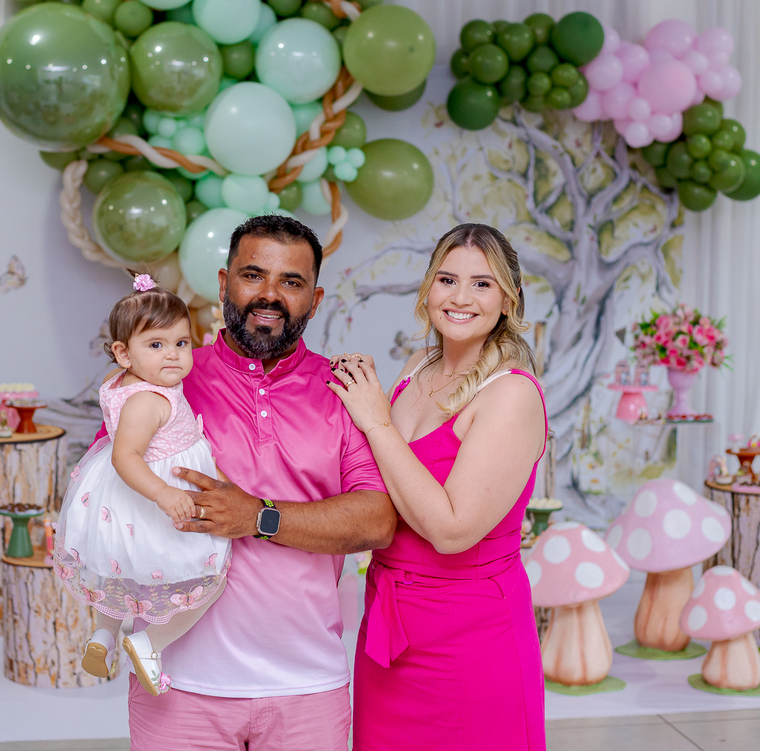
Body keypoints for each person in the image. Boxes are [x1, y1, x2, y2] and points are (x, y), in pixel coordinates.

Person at [113, 214, 397, 750]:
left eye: (291, 281)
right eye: (252, 275)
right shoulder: (164, 380)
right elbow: (109, 493)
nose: (269, 295)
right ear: (223, 284)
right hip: (177, 686)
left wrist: (258, 517)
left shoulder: (344, 391)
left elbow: (377, 521)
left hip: (309, 688)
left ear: (314, 299)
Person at [327, 223, 548, 750]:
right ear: (428, 288)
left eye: (482, 284)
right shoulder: (417, 367)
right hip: (389, 626)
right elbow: (384, 479)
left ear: (508, 299)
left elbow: (452, 531)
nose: (460, 297)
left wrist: (375, 420)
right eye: (448, 280)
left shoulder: (511, 395)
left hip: (472, 636)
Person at [54, 275, 231, 697]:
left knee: (118, 573)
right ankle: (149, 642)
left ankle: (103, 636)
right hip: (150, 498)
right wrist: (165, 494)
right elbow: (126, 456)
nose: (172, 354)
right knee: (210, 580)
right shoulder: (149, 400)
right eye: (156, 345)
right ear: (123, 353)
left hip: (118, 501)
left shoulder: (126, 383)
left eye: (181, 343)